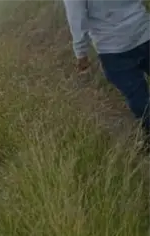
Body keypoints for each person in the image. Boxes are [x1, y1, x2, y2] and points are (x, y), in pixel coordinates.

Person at [62, 0, 150, 145]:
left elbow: (76, 17)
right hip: (144, 29)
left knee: (139, 98)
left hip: (113, 47)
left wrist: (81, 53)